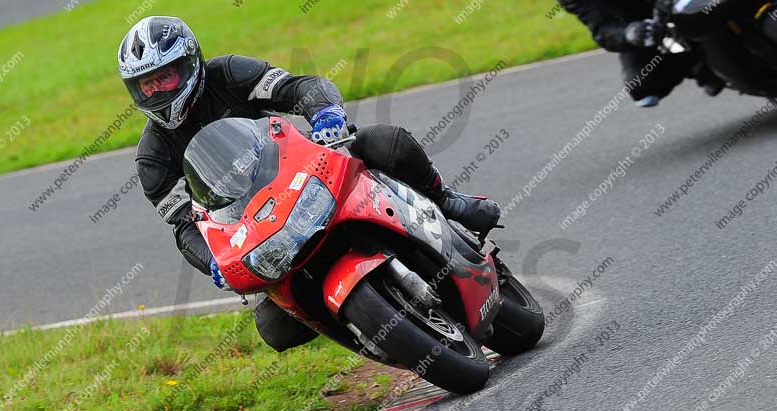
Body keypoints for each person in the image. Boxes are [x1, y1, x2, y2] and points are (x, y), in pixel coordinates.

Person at [118, 16, 501, 351]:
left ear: (191, 63)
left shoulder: (229, 73)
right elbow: (185, 226)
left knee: (384, 141)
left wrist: (326, 113)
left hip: (301, 173)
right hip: (254, 231)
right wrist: (212, 260)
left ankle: (445, 200)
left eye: (165, 77)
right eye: (146, 85)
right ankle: (358, 325)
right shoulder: (152, 157)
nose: (158, 92)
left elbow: (301, 88)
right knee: (274, 328)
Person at [558, 0, 724, 107]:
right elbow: (602, 29)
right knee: (641, 87)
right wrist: (629, 33)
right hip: (650, 20)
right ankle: (700, 64)